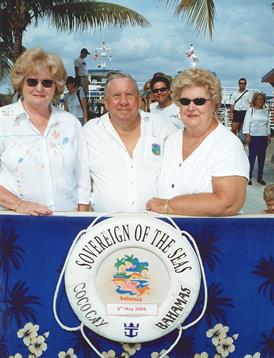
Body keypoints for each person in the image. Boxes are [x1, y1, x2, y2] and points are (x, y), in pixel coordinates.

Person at [146, 68, 249, 216]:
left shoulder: (228, 145)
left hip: (207, 236)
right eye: (185, 101)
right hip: (168, 235)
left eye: (199, 101)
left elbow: (228, 203)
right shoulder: (171, 141)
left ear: (214, 104)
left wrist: (168, 206)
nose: (191, 107)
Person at [0, 48, 91, 215]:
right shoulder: (3, 121)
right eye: (32, 82)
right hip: (15, 224)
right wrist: (18, 204)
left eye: (47, 82)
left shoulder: (70, 123)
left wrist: (81, 218)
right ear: (21, 83)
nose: (39, 88)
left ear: (56, 86)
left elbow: (82, 178)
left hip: (66, 223)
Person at [83, 72, 176, 212]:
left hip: (157, 227)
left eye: (129, 95)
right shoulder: (90, 131)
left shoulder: (162, 127)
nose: (123, 102)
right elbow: (78, 179)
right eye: (116, 96)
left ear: (139, 100)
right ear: (106, 103)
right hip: (105, 229)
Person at [243, 92, 271, 185]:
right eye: (259, 99)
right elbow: (246, 123)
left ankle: (260, 177)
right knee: (252, 158)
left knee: (262, 159)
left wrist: (269, 134)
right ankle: (249, 177)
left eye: (262, 99)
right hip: (253, 137)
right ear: (255, 100)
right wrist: (247, 135)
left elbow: (267, 124)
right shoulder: (250, 110)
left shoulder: (266, 111)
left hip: (263, 137)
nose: (261, 101)